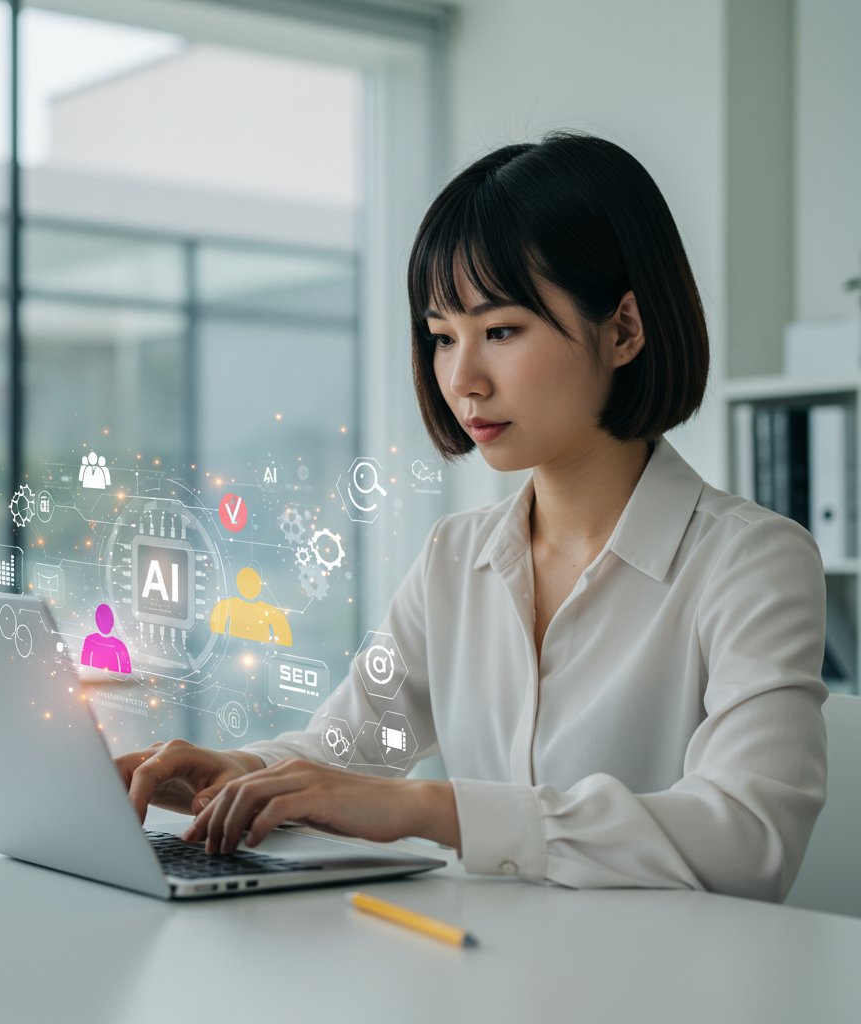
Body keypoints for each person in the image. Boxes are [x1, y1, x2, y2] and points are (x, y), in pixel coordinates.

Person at [114, 133, 827, 902]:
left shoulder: (753, 563)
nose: (462, 379)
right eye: (442, 337)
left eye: (501, 331)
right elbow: (350, 747)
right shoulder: (457, 557)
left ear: (624, 329)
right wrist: (243, 776)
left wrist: (431, 807)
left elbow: (748, 840)